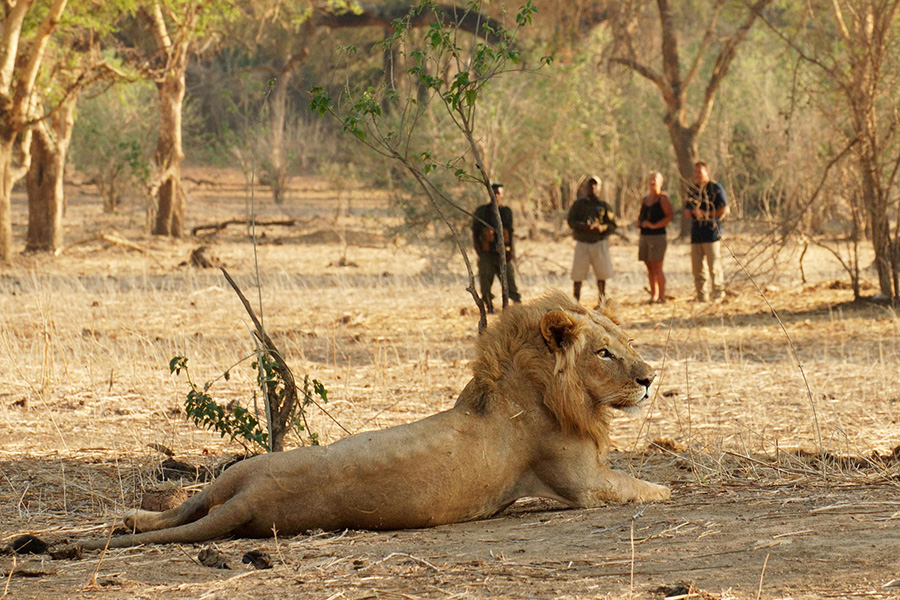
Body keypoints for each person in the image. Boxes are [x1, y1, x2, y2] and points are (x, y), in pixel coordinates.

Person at [471, 183, 521, 313]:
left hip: (502, 253)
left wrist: (511, 251)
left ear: (502, 195)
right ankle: (489, 306)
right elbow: (475, 231)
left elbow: (510, 232)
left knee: (509, 279)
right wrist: (478, 248)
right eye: (494, 192)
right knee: (485, 281)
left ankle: (517, 307)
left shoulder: (506, 211)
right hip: (486, 252)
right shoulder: (482, 211)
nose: (496, 195)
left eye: (499, 193)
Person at [684, 162, 730, 302]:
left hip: (712, 234)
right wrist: (694, 213)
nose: (697, 175)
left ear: (707, 173)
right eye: (696, 172)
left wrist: (707, 214)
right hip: (696, 233)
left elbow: (725, 209)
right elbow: (686, 212)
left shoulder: (715, 188)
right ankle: (701, 296)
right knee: (697, 268)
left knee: (714, 267)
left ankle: (718, 295)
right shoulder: (693, 190)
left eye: (700, 172)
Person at [567, 175, 617, 303]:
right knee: (578, 274)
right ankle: (576, 301)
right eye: (590, 185)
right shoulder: (578, 205)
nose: (592, 187)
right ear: (586, 188)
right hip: (582, 243)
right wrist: (582, 226)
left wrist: (601, 228)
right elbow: (571, 221)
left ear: (599, 188)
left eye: (595, 185)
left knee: (602, 274)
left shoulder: (604, 206)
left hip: (599, 243)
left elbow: (612, 225)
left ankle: (601, 300)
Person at [636, 171, 673, 303]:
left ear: (661, 183)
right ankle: (654, 295)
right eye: (650, 179)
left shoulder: (662, 199)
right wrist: (640, 223)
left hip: (658, 237)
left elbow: (669, 217)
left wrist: (654, 225)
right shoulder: (645, 200)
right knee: (649, 267)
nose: (652, 182)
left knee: (657, 266)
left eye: (655, 180)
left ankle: (662, 297)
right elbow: (641, 216)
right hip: (644, 236)